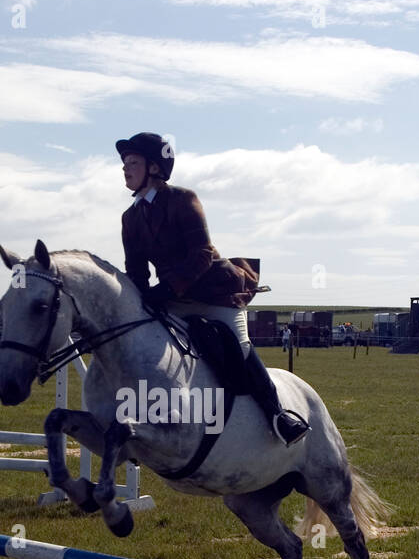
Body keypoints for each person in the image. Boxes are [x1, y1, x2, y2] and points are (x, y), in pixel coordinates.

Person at [117, 132, 309, 446]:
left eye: (133, 162)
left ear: (154, 168)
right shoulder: (131, 217)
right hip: (174, 298)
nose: (125, 169)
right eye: (124, 164)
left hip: (215, 292)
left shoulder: (183, 199)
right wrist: (140, 297)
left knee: (239, 346)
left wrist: (167, 287)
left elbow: (202, 253)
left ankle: (278, 415)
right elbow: (136, 268)